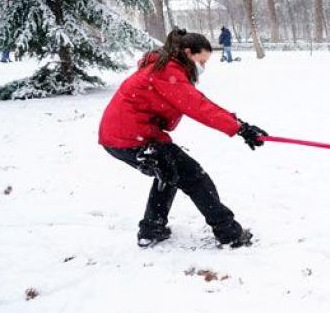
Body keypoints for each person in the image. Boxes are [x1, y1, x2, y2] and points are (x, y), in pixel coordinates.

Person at [98, 28, 267, 248]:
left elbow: (198, 103)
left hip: (123, 136)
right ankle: (229, 234)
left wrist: (240, 126)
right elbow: (199, 107)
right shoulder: (168, 72)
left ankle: (152, 229)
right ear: (188, 52)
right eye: (202, 61)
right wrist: (240, 128)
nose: (203, 67)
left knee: (169, 173)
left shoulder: (164, 66)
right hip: (132, 138)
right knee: (195, 178)